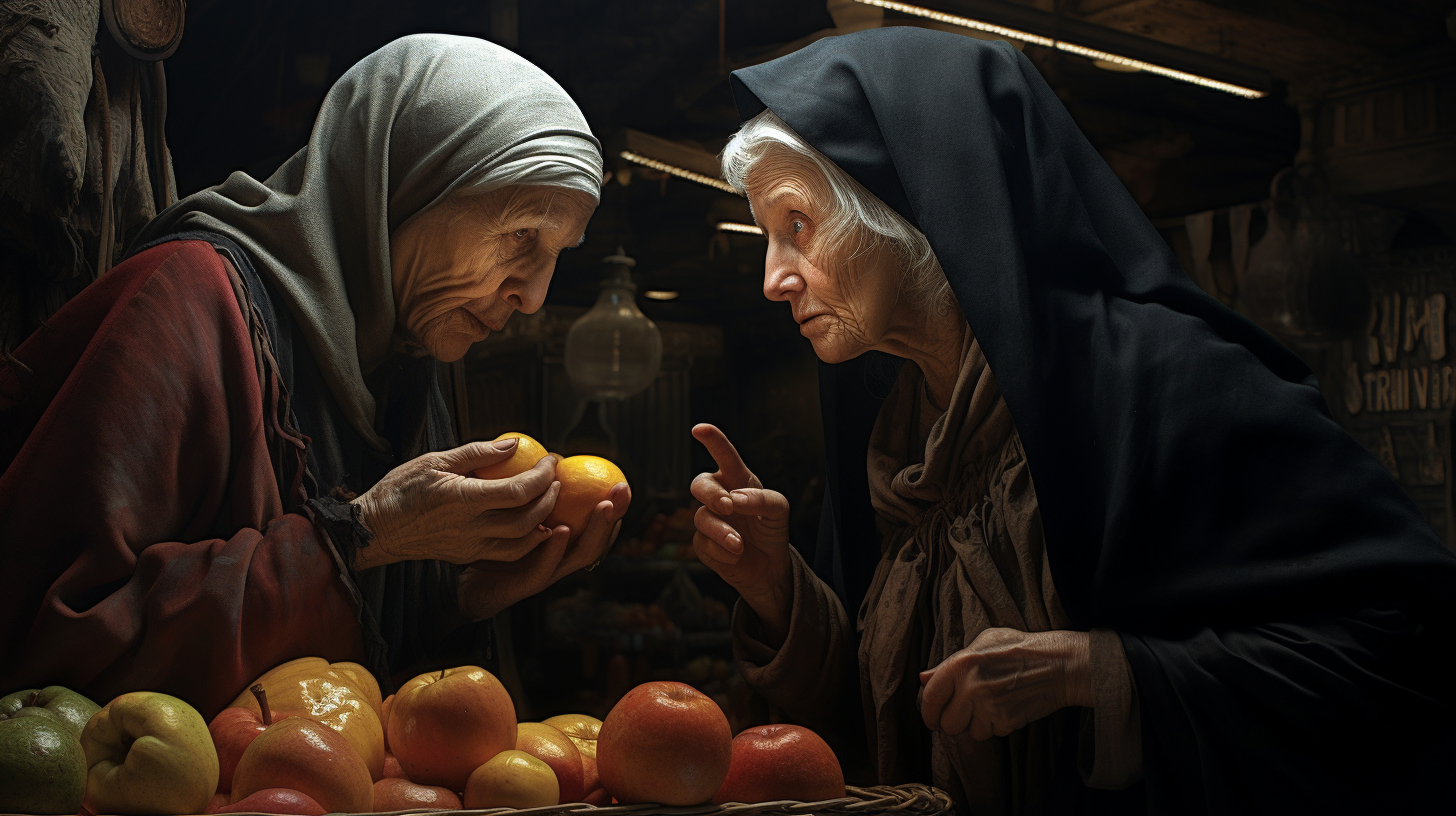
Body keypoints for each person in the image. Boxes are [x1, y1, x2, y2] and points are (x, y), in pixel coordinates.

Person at [689, 27, 1456, 815]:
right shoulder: (896, 434)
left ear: (913, 201)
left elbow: (1411, 647)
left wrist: (1104, 675)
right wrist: (781, 591)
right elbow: (883, 723)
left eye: (798, 225)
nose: (773, 279)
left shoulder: (1167, 381)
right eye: (766, 236)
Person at [0, 34, 628, 718]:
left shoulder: (406, 357)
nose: (534, 296)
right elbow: (40, 643)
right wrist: (364, 534)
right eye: (521, 236)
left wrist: (459, 597)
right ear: (401, 183)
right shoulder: (184, 301)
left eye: (557, 253)